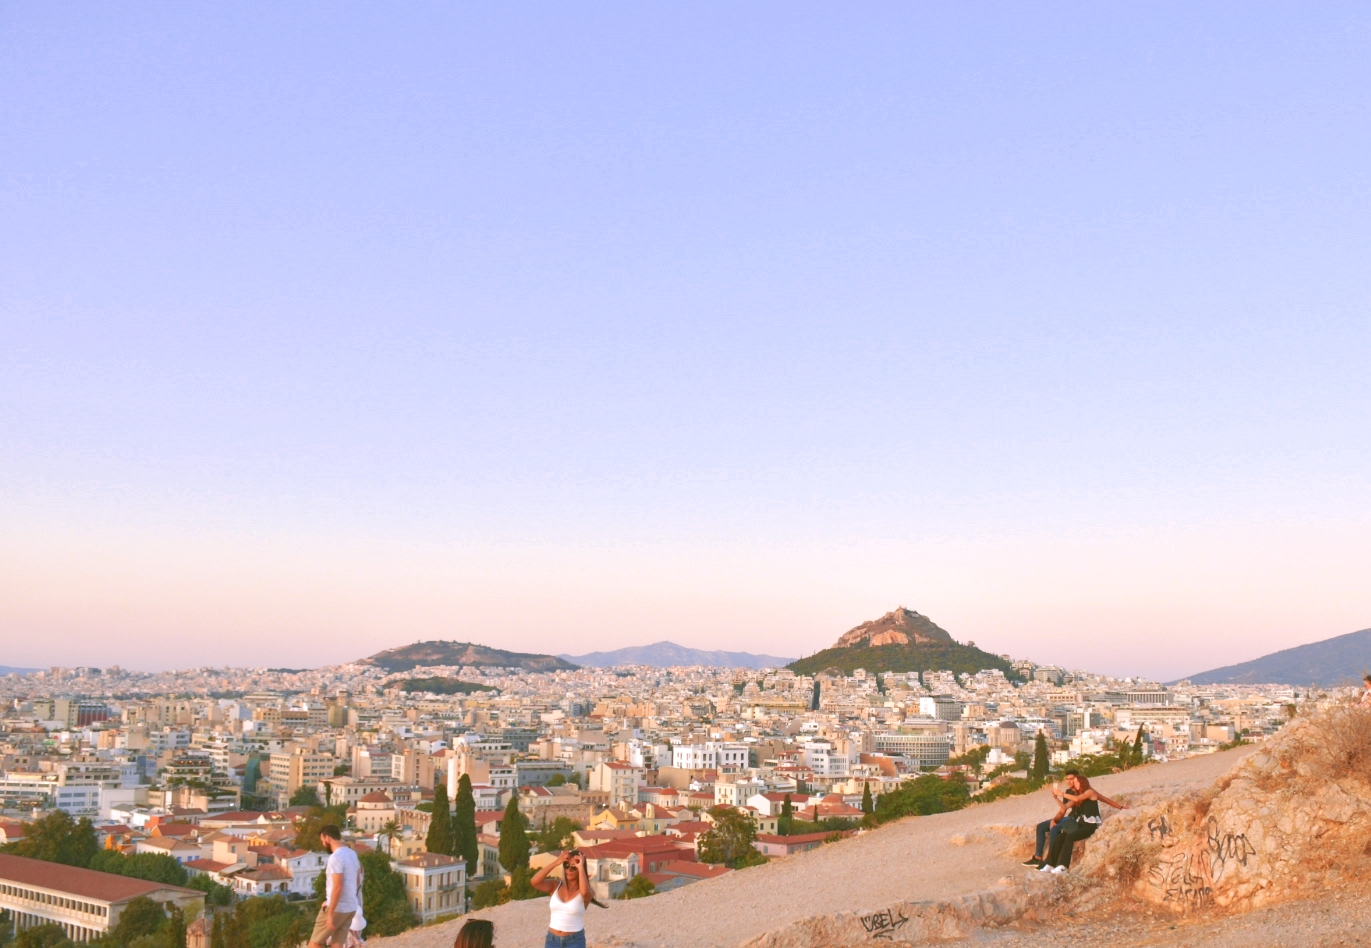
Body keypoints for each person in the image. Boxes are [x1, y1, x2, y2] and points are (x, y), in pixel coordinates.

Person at [1034, 770, 1129, 873]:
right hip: (1081, 823)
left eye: (1075, 782)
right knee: (1061, 836)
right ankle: (1051, 864)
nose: (1073, 784)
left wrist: (1121, 807)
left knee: (1069, 838)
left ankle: (1063, 866)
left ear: (1082, 782)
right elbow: (1065, 807)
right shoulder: (1079, 795)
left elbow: (1082, 798)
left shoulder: (1089, 792)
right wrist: (1056, 798)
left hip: (1090, 825)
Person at [310, 826, 362, 948]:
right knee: (337, 943)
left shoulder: (335, 858)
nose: (323, 844)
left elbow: (338, 887)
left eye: (322, 840)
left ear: (327, 838)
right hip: (351, 907)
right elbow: (358, 880)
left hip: (338, 908)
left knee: (315, 943)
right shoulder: (352, 854)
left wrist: (330, 912)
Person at [530, 849, 594, 948]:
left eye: (574, 867)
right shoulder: (556, 885)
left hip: (575, 941)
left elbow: (585, 893)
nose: (569, 870)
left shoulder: (587, 891)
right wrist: (556, 862)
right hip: (552, 939)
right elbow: (535, 882)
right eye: (566, 865)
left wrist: (581, 867)